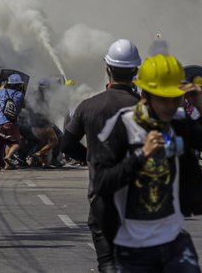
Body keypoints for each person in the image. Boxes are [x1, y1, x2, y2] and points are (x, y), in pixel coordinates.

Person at [94, 54, 202, 272]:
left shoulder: (179, 122)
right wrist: (140, 156)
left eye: (175, 98)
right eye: (163, 99)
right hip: (132, 245)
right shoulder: (122, 125)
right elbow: (101, 183)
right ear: (146, 96)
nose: (170, 106)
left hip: (173, 239)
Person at [61, 39, 141, 273]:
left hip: (101, 196)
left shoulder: (88, 106)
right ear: (135, 71)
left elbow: (67, 144)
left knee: (107, 262)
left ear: (108, 69)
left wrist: (89, 155)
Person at [0, 73, 25, 170]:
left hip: (0, 121)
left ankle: (8, 165)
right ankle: (8, 157)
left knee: (9, 142)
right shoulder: (20, 95)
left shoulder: (2, 91)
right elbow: (23, 105)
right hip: (11, 122)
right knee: (17, 142)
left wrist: (0, 89)